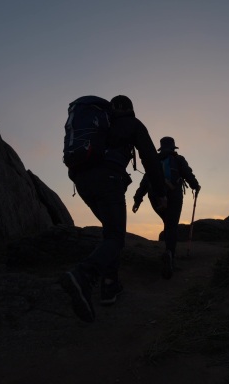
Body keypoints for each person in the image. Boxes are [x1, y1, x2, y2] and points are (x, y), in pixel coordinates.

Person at [60, 95, 167, 322]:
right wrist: (160, 193)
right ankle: (83, 275)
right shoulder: (132, 124)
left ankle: (110, 286)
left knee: (110, 232)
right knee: (116, 237)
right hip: (108, 181)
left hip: (82, 183)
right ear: (130, 108)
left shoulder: (99, 122)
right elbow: (150, 158)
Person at [132, 136, 200, 279]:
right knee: (171, 224)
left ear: (161, 148)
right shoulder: (178, 159)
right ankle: (170, 253)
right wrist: (195, 185)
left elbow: (145, 182)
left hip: (155, 196)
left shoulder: (154, 161)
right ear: (173, 147)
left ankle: (168, 251)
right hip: (174, 193)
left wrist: (137, 199)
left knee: (167, 222)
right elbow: (188, 174)